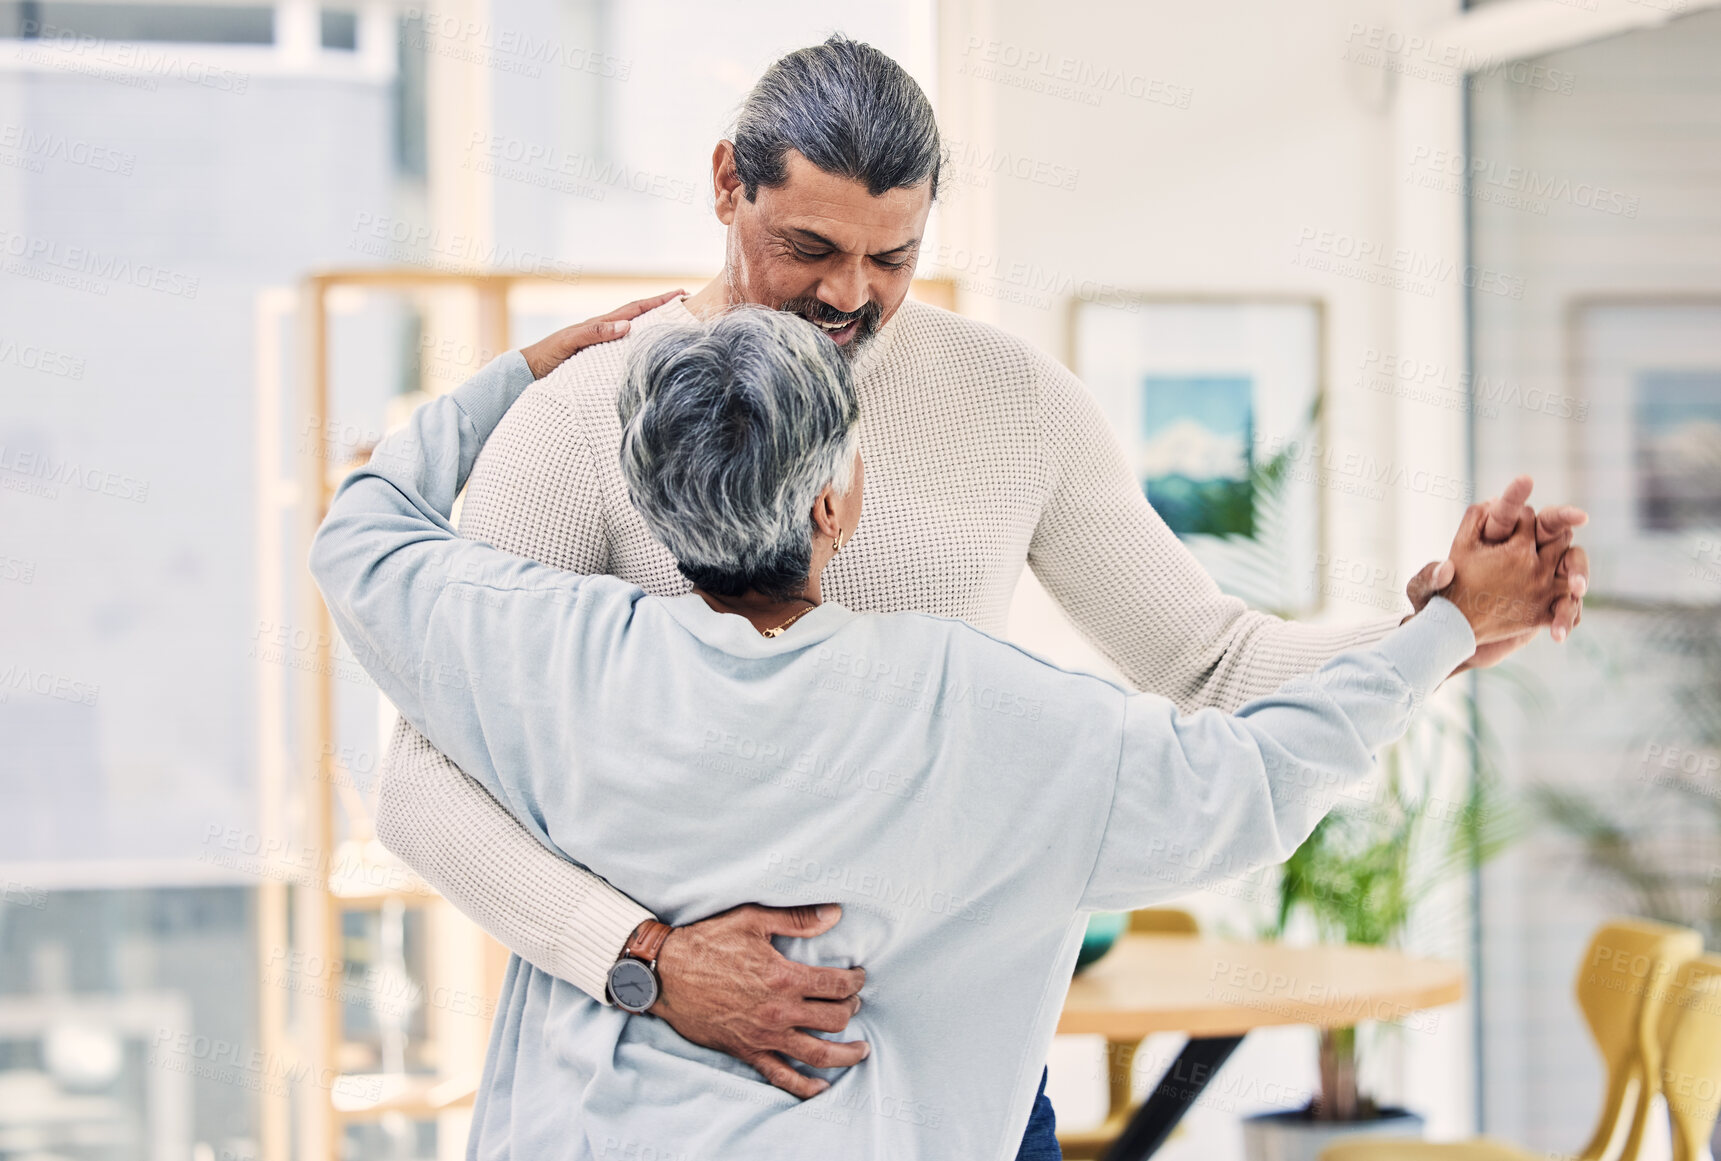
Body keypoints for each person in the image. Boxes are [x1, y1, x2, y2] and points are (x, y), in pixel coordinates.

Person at [373, 34, 1591, 1155]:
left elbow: (1212, 663)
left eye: (890, 257)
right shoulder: (587, 413)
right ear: (724, 185)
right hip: (652, 1094)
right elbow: (422, 779)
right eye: (808, 248)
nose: (849, 294)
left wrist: (1433, 632)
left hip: (972, 1103)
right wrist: (642, 959)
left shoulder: (1013, 402)